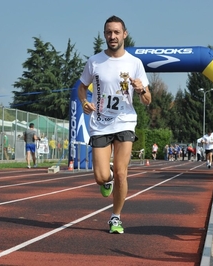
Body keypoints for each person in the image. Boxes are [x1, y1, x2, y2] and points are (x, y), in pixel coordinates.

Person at [77, 15, 151, 234]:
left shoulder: (135, 63)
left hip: (125, 121)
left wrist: (141, 90)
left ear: (124, 34)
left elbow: (148, 101)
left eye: (117, 32)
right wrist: (84, 102)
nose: (113, 36)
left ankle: (115, 217)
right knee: (101, 176)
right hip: (100, 123)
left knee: (122, 173)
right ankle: (106, 179)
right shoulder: (94, 61)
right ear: (104, 35)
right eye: (109, 32)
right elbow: (82, 87)